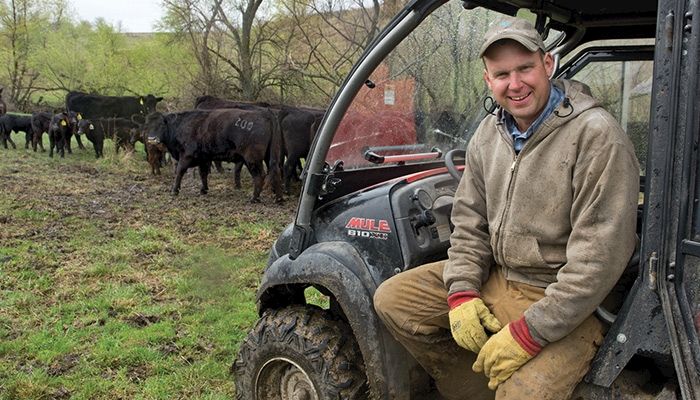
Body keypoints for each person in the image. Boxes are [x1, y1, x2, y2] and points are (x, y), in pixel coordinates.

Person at [373, 17, 640, 400]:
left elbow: (597, 263)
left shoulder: (596, 136)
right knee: (393, 300)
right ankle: (474, 388)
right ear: (488, 81)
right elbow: (468, 223)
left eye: (525, 68)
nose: (514, 84)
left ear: (547, 64)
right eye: (501, 74)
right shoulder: (490, 133)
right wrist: (463, 290)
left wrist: (529, 334)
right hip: (500, 276)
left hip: (568, 298)